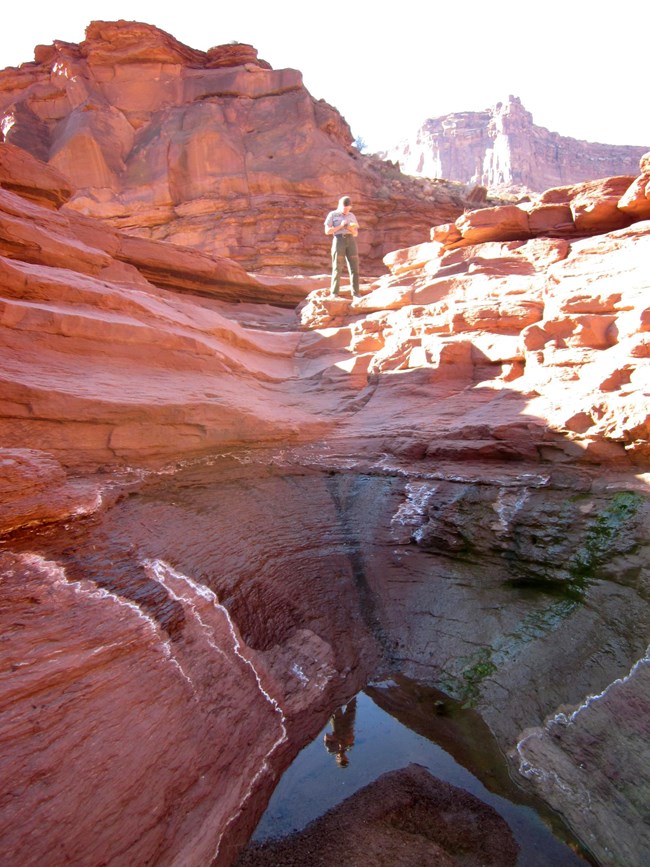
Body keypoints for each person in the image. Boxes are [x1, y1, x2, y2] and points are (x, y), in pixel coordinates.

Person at [324, 196, 360, 298]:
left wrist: (350, 228)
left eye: (348, 209)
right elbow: (327, 231)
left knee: (354, 267)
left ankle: (356, 293)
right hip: (338, 239)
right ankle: (334, 293)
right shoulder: (332, 214)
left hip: (350, 240)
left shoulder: (352, 215)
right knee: (337, 267)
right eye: (344, 208)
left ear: (350, 207)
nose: (345, 211)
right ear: (339, 205)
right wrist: (340, 226)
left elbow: (356, 233)